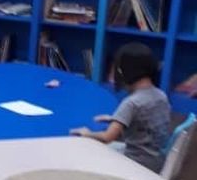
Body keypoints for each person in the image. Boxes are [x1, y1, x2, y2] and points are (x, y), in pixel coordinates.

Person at [70, 43, 171, 172]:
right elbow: (146, 122)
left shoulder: (131, 103)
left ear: (123, 72)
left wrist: (87, 134)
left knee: (89, 149)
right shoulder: (161, 96)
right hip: (157, 161)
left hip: (135, 163)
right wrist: (117, 119)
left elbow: (107, 137)